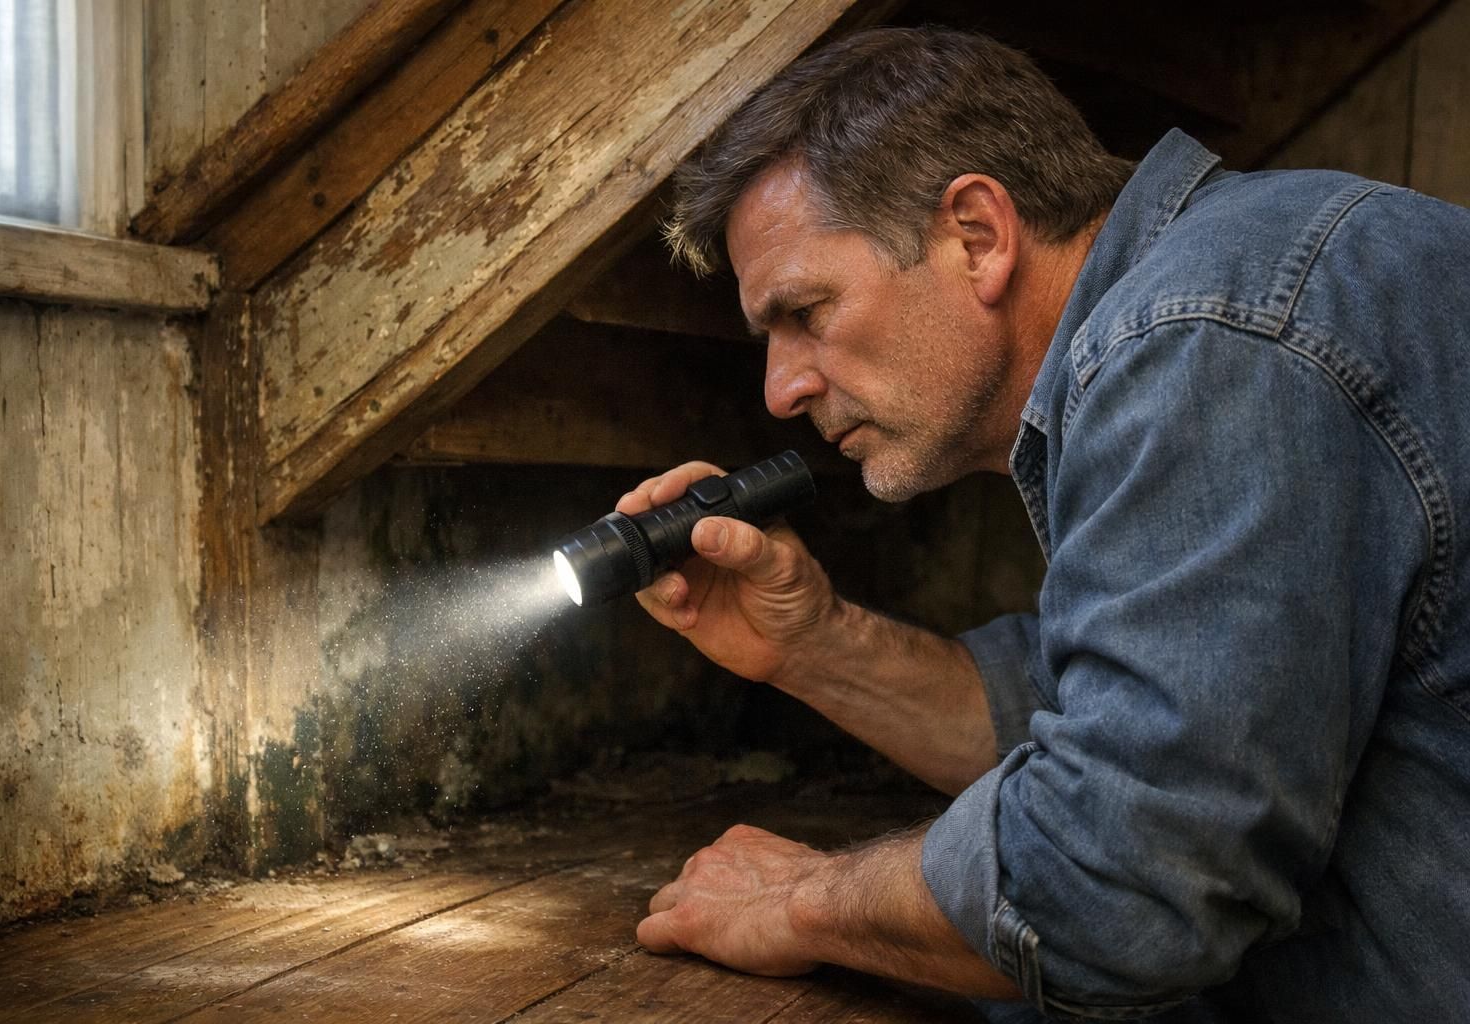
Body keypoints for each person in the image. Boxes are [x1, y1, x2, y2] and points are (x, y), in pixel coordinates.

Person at [616, 26, 1470, 1024]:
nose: (780, 389)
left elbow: (1124, 881)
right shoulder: (1217, 291)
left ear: (977, 233)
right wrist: (810, 643)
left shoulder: (1207, 339)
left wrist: (798, 903)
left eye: (804, 311)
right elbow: (1112, 717)